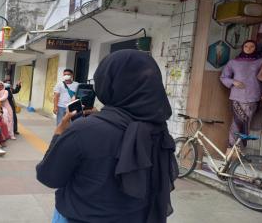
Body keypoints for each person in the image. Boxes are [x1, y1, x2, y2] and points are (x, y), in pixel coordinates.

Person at [36, 50, 178, 223]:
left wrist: (59, 133)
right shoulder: (159, 130)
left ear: (107, 82)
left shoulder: (83, 130)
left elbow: (49, 176)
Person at [220, 40, 262, 149]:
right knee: (235, 124)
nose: (249, 48)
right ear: (242, 47)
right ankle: (231, 150)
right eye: (246, 46)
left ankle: (240, 150)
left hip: (252, 98)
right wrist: (233, 82)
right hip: (236, 98)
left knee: (246, 124)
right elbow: (223, 77)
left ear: (256, 48)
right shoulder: (233, 62)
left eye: (252, 46)